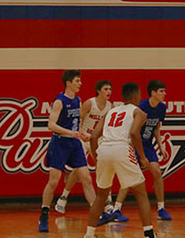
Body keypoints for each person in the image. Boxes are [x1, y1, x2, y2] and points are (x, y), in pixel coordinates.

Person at [84, 83, 156, 238]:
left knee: (101, 195)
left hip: (104, 149)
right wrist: (143, 158)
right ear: (137, 96)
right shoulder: (139, 112)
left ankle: (89, 234)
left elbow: (94, 136)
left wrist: (97, 158)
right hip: (122, 147)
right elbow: (134, 133)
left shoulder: (110, 111)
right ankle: (149, 233)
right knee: (141, 194)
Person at [38, 70, 105, 232]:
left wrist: (81, 134)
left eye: (80, 81)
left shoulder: (78, 100)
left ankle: (98, 215)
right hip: (60, 142)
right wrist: (71, 133)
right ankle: (44, 215)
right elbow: (51, 125)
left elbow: (76, 123)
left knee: (87, 178)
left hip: (74, 143)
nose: (80, 83)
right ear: (68, 83)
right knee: (54, 181)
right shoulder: (59, 101)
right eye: (77, 81)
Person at [111, 80, 171, 221]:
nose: (164, 94)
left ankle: (161, 208)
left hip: (148, 145)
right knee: (130, 177)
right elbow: (132, 129)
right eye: (161, 91)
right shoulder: (141, 107)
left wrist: (161, 145)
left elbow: (156, 127)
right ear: (153, 93)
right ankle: (116, 209)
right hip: (134, 144)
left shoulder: (162, 108)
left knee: (157, 171)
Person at [55, 80, 114, 214]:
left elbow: (107, 126)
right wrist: (81, 134)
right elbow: (77, 120)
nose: (109, 92)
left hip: (97, 140)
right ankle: (64, 197)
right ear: (99, 91)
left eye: (110, 89)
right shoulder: (89, 103)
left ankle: (108, 200)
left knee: (105, 168)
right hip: (83, 138)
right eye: (105, 89)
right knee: (77, 169)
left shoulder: (110, 106)